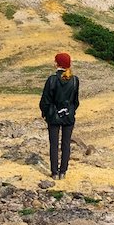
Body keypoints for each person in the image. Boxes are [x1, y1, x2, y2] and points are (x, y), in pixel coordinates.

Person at [39, 51, 80, 179]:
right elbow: (76, 101)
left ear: (57, 63)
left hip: (53, 116)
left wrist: (45, 114)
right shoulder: (74, 80)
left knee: (54, 144)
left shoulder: (52, 79)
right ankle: (63, 172)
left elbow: (45, 101)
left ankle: (54, 173)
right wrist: (71, 111)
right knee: (66, 144)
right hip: (68, 115)